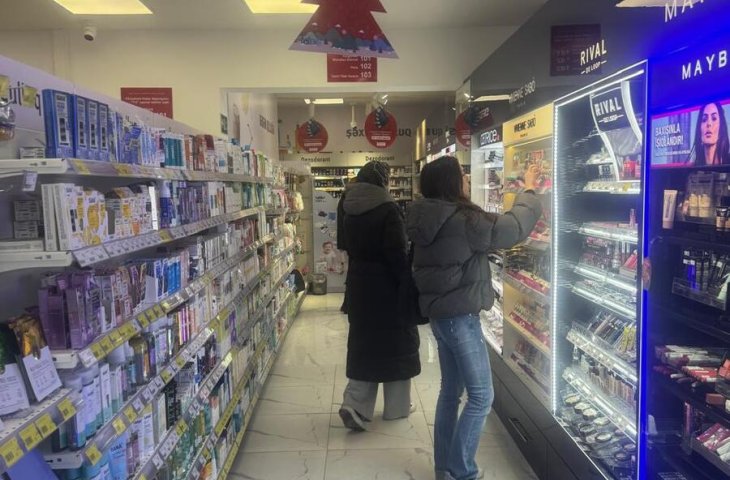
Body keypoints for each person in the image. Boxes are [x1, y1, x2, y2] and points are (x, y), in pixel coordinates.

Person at [406, 156, 542, 480]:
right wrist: (528, 192)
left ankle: (444, 467)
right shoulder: (465, 219)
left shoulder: (425, 217)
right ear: (452, 183)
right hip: (460, 318)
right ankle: (461, 470)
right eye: (463, 175)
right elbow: (511, 229)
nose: (467, 179)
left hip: (440, 317)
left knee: (450, 392)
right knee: (482, 396)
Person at [338, 161, 421, 431]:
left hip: (359, 283)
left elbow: (343, 243)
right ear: (383, 181)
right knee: (397, 344)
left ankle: (356, 404)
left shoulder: (347, 204)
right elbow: (396, 252)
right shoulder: (388, 208)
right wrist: (406, 283)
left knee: (363, 344)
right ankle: (397, 407)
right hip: (387, 285)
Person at [693, 101, 730, 165]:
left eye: (714, 118)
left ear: (721, 127)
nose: (709, 124)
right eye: (704, 119)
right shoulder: (693, 167)